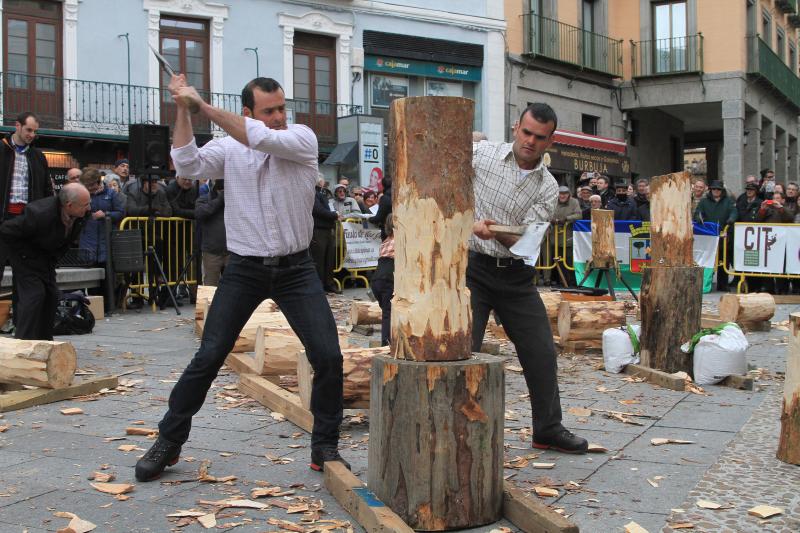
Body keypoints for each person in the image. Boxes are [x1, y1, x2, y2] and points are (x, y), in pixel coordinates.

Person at [134, 74, 347, 481]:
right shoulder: (230, 148)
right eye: (270, 110)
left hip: (296, 270)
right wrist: (182, 106)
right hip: (245, 269)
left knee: (329, 357)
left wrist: (202, 106)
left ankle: (325, 447)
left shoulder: (301, 139)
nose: (280, 116)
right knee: (209, 355)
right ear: (249, 111)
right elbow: (187, 163)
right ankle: (169, 440)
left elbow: (260, 138)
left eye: (283, 107)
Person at [470, 102, 587, 454]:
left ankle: (548, 429)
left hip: (517, 278)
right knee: (464, 350)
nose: (530, 142)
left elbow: (527, 243)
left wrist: (497, 232)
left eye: (539, 137)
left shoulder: (549, 188)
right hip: (471, 269)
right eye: (526, 132)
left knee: (541, 351)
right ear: (515, 128)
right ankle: (458, 424)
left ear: (550, 140)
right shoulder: (482, 155)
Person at [0, 183, 89, 340]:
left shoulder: (81, 214)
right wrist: (25, 255)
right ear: (69, 205)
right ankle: (23, 341)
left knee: (52, 296)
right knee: (34, 296)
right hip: (25, 257)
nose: (88, 208)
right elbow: (7, 230)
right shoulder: (39, 213)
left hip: (47, 258)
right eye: (85, 205)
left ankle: (45, 341)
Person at [0, 112, 54, 294]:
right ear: (17, 126)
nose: (32, 134)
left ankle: (20, 320)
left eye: (34, 131)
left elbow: (47, 190)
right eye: (28, 130)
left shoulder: (38, 156)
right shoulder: (1, 149)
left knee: (24, 274)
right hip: (3, 217)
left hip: (27, 220)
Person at [694, 180, 737, 291]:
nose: (716, 191)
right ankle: (706, 283)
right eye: (714, 189)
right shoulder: (704, 202)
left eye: (718, 189)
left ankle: (723, 284)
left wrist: (731, 219)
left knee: (724, 260)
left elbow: (734, 211)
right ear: (710, 190)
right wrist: (699, 218)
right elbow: (698, 213)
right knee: (708, 260)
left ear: (722, 191)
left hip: (723, 234)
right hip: (709, 236)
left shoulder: (728, 201)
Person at [78, 168, 125, 265]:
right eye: (87, 185)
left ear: (99, 182)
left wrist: (106, 214)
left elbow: (121, 213)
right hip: (88, 240)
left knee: (108, 273)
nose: (89, 188)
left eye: (91, 185)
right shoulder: (82, 195)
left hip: (107, 239)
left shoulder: (111, 194)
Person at [195, 179, 227, 286]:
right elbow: (199, 213)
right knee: (210, 287)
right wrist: (219, 200)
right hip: (212, 252)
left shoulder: (235, 201)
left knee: (233, 287)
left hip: (232, 252)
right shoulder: (205, 198)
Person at [310, 178, 340, 294]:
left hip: (327, 229)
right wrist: (334, 215)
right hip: (318, 230)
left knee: (329, 258)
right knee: (320, 259)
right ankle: (320, 285)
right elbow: (318, 210)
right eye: (322, 180)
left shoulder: (322, 193)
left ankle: (329, 283)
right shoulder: (313, 193)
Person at [371, 213, 395, 346]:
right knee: (389, 313)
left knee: (387, 311)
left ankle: (389, 340)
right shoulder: (400, 242)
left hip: (377, 280)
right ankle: (386, 344)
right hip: (388, 279)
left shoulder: (385, 242)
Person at [551, 186, 581, 286]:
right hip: (555, 236)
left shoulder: (574, 202)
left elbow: (578, 215)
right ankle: (562, 282)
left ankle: (572, 282)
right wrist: (552, 219)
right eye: (560, 193)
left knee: (569, 261)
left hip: (568, 236)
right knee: (558, 261)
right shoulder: (553, 201)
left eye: (565, 194)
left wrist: (567, 219)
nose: (562, 196)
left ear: (569, 194)